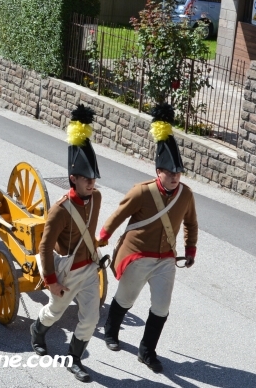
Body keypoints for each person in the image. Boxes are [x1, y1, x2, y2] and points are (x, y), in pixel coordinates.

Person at [99, 103, 198, 373]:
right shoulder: (142, 192)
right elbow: (119, 214)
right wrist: (104, 235)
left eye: (178, 172)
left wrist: (190, 249)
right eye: (170, 172)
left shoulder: (186, 195)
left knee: (162, 306)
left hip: (165, 258)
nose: (176, 176)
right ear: (159, 172)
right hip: (137, 254)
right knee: (126, 298)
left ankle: (147, 351)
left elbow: (191, 223)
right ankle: (111, 330)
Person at [31, 105, 103, 383]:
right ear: (73, 177)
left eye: (94, 178)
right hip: (66, 271)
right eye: (87, 178)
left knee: (90, 319)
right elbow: (45, 246)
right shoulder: (61, 209)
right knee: (53, 313)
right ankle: (37, 331)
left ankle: (74, 359)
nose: (92, 183)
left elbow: (91, 231)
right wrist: (50, 281)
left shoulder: (97, 198)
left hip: (89, 270)